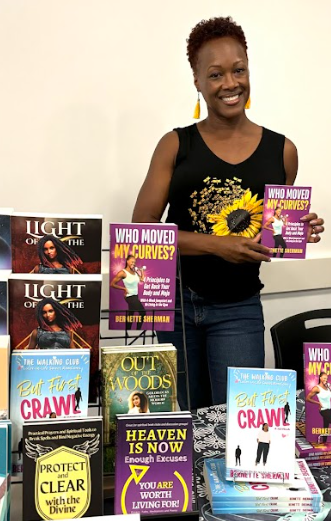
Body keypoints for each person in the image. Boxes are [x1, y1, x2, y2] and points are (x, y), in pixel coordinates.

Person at [132, 16, 324, 409]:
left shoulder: (282, 151)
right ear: (198, 82)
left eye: (239, 70)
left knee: (238, 427)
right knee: (181, 421)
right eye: (215, 74)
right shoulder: (175, 145)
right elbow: (141, 229)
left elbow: (272, 232)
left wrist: (300, 228)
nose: (230, 84)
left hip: (239, 307)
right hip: (175, 305)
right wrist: (218, 245)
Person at [110, 255, 146, 331]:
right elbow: (112, 284)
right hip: (129, 296)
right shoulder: (122, 273)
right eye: (132, 261)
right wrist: (124, 289)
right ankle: (137, 331)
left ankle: (127, 331)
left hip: (135, 296)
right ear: (127, 261)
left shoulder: (135, 272)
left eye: (134, 262)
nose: (133, 263)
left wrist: (142, 271)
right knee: (143, 312)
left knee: (131, 315)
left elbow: (142, 280)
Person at [306, 372, 331, 444]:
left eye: (326, 378)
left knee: (326, 426)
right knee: (328, 421)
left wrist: (329, 387)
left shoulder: (328, 386)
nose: (325, 379)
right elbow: (308, 398)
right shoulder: (316, 388)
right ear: (320, 378)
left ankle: (324, 441)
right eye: (324, 378)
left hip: (329, 408)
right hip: (323, 409)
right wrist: (318, 403)